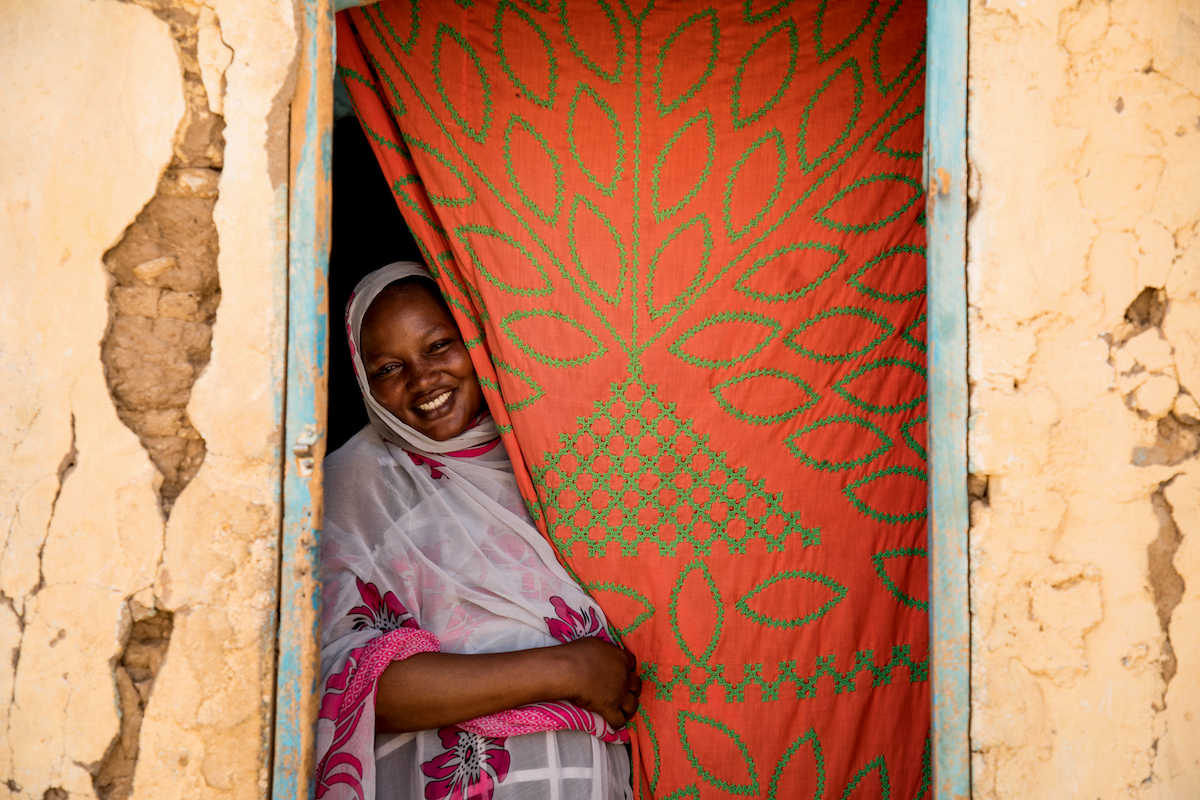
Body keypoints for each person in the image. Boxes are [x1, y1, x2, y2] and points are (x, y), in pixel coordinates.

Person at [316, 262, 640, 800]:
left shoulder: (553, 457)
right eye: (389, 368)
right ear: (363, 382)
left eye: (440, 345)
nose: (423, 381)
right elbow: (352, 684)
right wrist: (568, 669)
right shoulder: (360, 486)